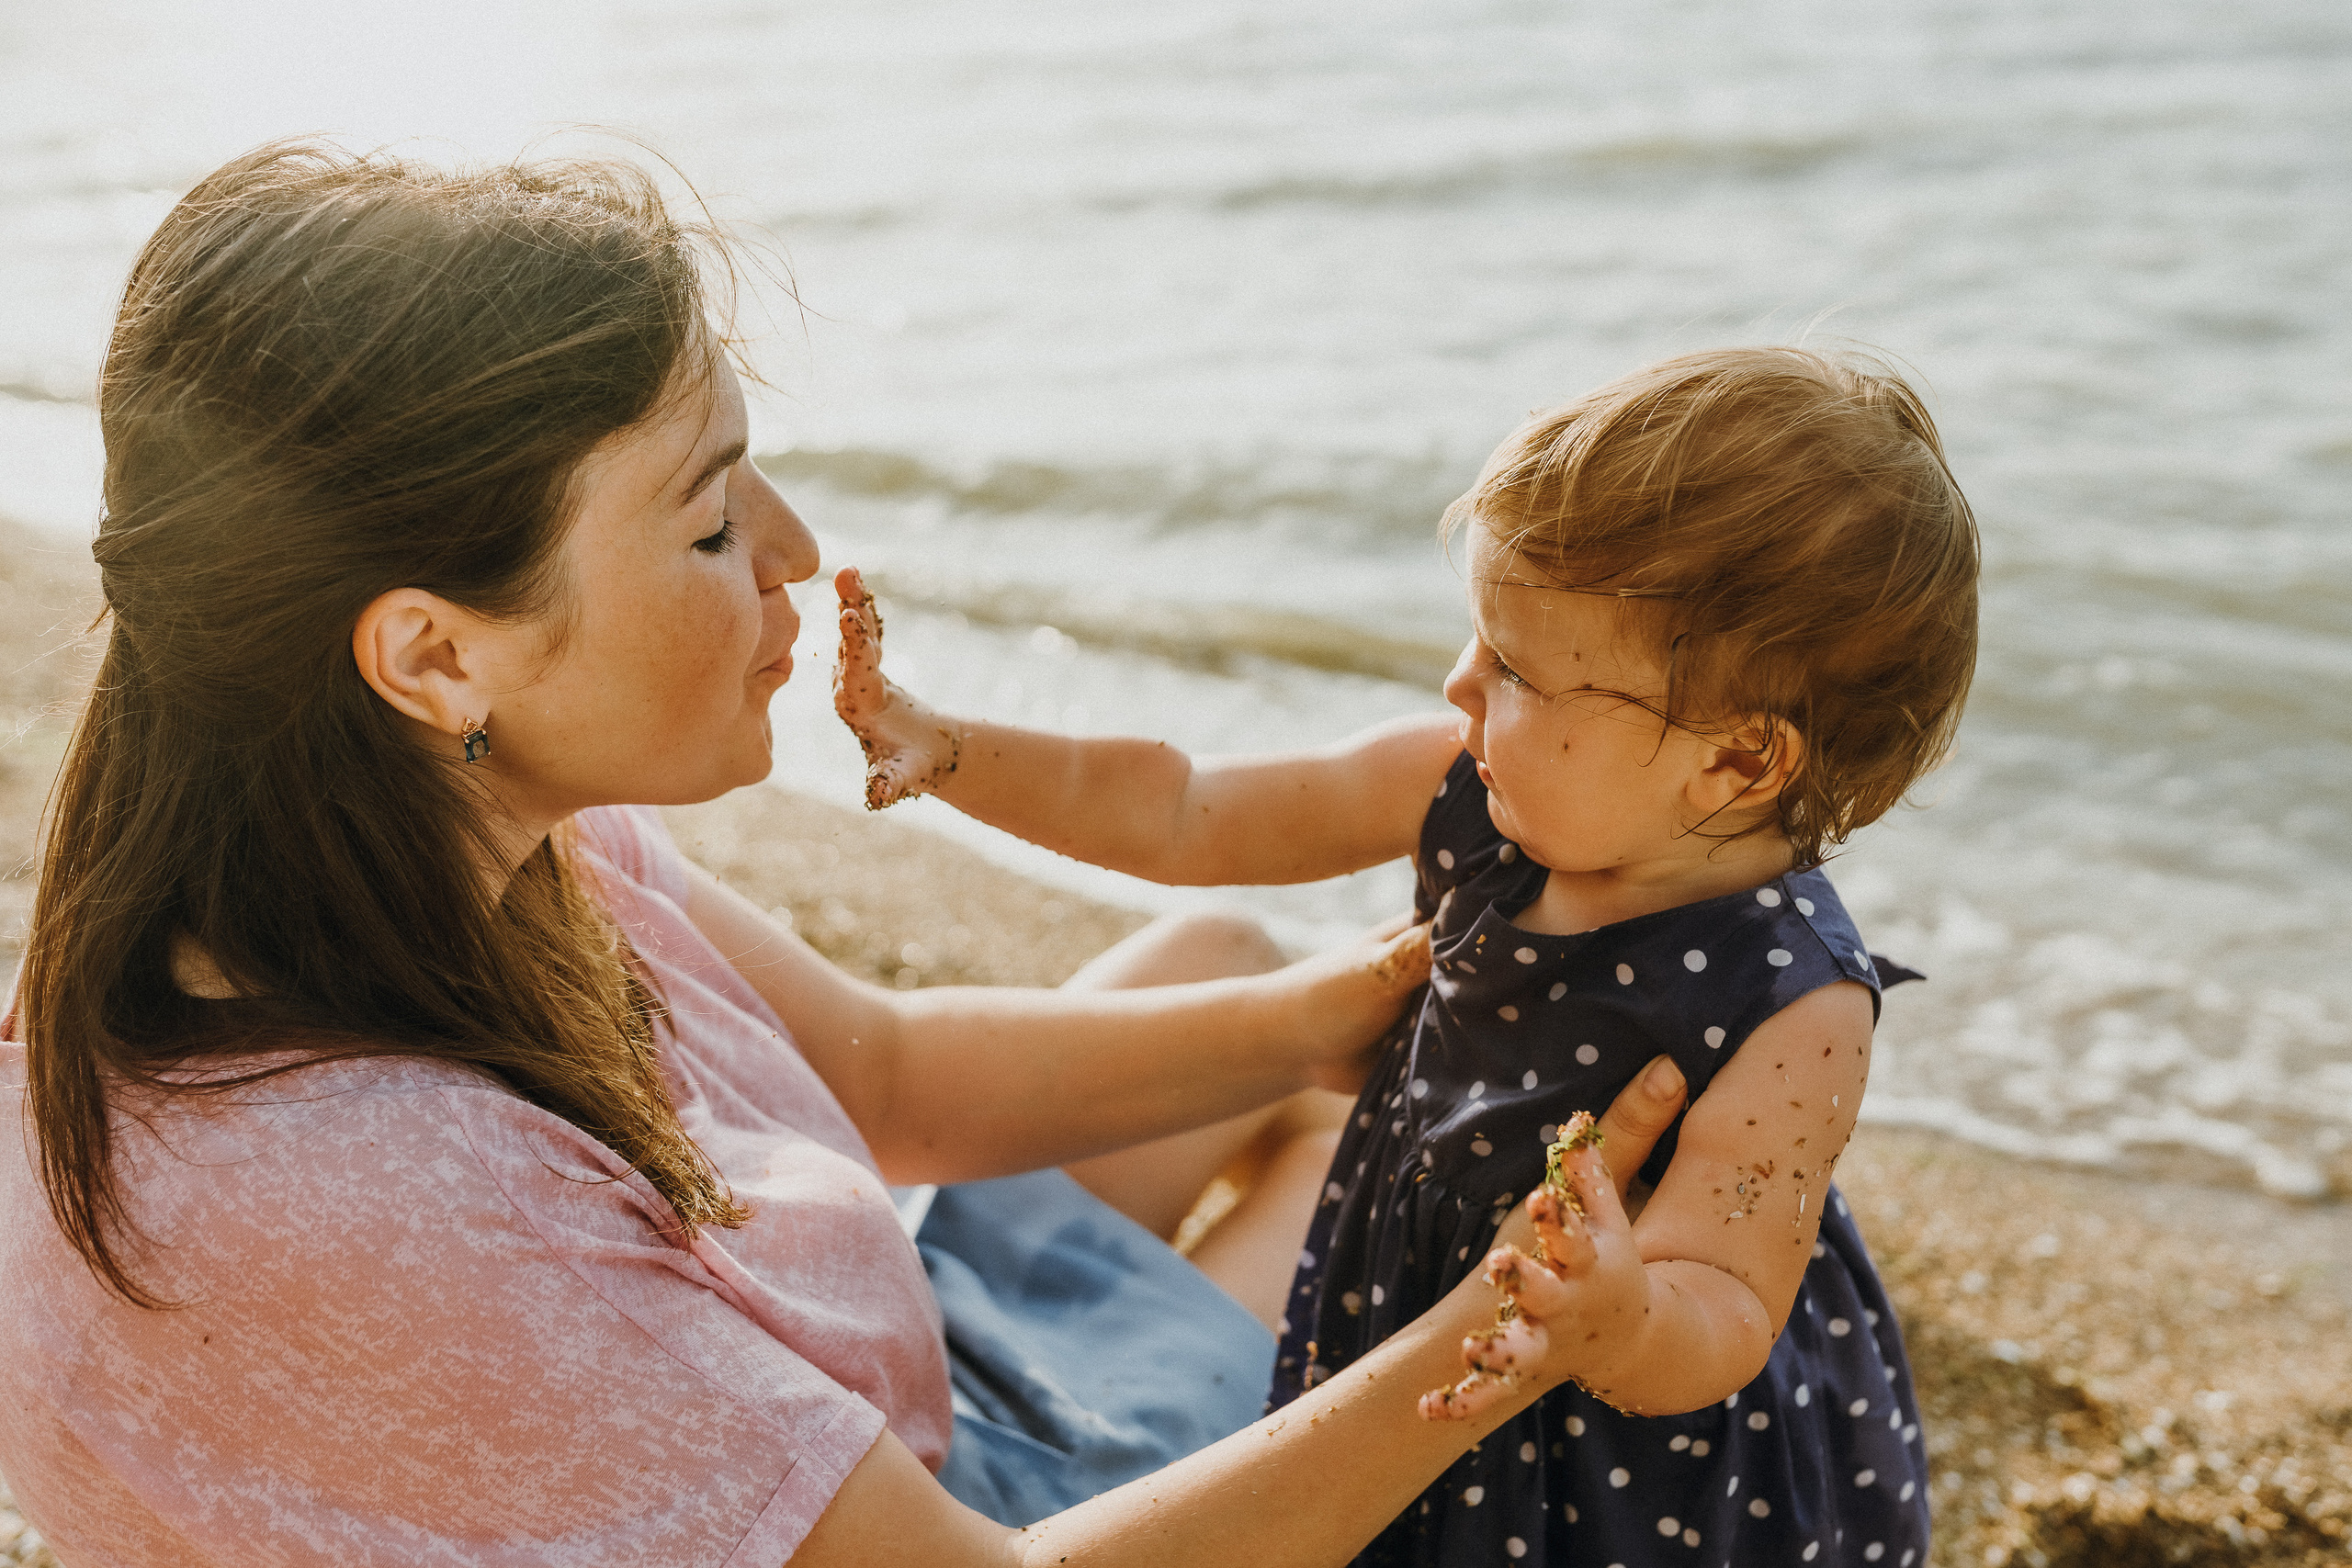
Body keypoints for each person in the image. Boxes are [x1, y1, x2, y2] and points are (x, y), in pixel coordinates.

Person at [0, 139, 1698, 1568]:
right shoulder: (394, 1216)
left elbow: (883, 1079)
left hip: (832, 1358)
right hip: (946, 1520)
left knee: (1242, 991)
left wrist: (1354, 1007)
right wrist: (1515, 1321)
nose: (797, 559)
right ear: (437, 654)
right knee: (1401, 1195)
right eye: (712, 517)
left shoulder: (392, 846)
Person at [834, 344, 1979, 1564]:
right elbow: (1181, 810)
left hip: (1616, 1448)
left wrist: (1619, 1317)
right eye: (1479, 640)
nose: (1459, 681)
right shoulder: (1467, 786)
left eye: (1517, 668)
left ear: (1739, 763)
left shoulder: (1793, 1006)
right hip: (1401, 1306)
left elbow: (1732, 1299)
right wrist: (950, 750)